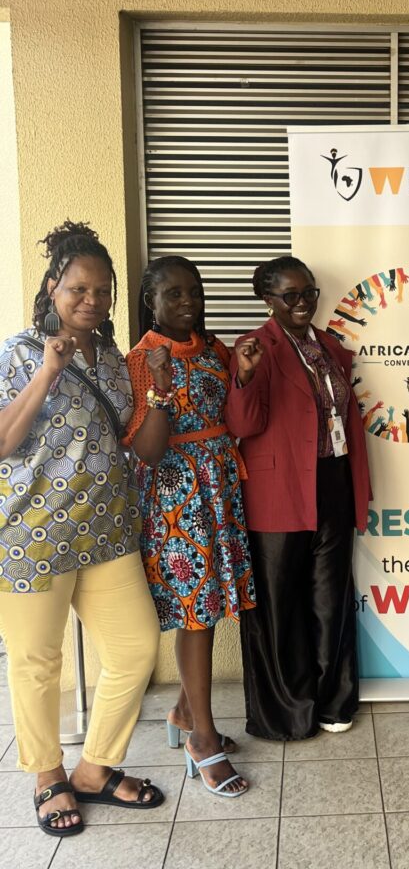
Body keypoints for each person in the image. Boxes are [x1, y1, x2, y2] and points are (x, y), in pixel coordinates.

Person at [0, 221, 163, 837]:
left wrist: (160, 398)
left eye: (103, 290)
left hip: (106, 534)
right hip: (33, 538)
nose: (91, 300)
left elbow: (135, 444)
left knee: (134, 649)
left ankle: (93, 770)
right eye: (78, 288)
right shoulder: (18, 352)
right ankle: (48, 776)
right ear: (52, 288)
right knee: (37, 662)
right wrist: (47, 370)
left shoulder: (117, 363)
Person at [123, 256, 256, 797]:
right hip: (178, 498)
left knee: (211, 609)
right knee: (196, 615)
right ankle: (203, 738)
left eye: (194, 291)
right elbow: (148, 452)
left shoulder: (214, 349)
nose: (188, 302)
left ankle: (183, 711)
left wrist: (242, 373)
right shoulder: (140, 359)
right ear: (150, 302)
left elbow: (236, 415)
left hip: (220, 488)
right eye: (173, 294)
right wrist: (156, 383)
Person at [225, 256, 371, 741]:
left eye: (309, 292)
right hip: (278, 490)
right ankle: (287, 712)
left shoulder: (330, 348)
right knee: (278, 603)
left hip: (332, 482)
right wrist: (244, 377)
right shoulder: (254, 349)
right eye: (291, 296)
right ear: (268, 300)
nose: (304, 302)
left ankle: (334, 699)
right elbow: (243, 427)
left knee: (331, 599)